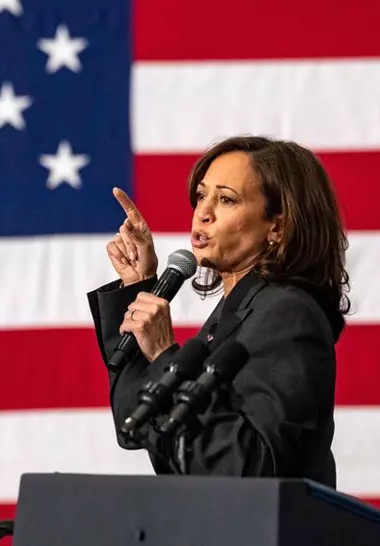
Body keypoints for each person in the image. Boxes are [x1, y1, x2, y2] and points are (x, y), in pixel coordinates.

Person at [86, 135, 350, 488]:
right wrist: (138, 287)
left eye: (226, 199)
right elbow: (135, 423)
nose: (203, 213)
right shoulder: (235, 311)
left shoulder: (287, 315)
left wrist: (165, 354)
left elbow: (251, 466)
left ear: (277, 226)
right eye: (201, 196)